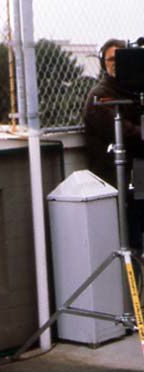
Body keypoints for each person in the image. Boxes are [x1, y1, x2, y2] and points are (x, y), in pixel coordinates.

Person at [83, 38, 144, 251]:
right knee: (129, 237)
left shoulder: (133, 93)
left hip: (137, 175)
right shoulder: (99, 96)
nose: (115, 63)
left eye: (121, 58)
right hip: (114, 179)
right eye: (110, 59)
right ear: (103, 63)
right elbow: (125, 134)